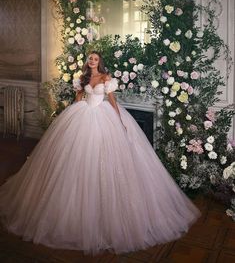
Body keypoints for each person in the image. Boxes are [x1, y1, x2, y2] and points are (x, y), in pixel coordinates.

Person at [0, 51, 201, 256]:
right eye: (90, 59)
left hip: (103, 115)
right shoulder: (83, 78)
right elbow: (79, 97)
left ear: (100, 62)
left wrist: (120, 120)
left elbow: (112, 100)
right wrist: (71, 117)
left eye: (95, 59)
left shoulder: (106, 78)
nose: (92, 61)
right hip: (83, 114)